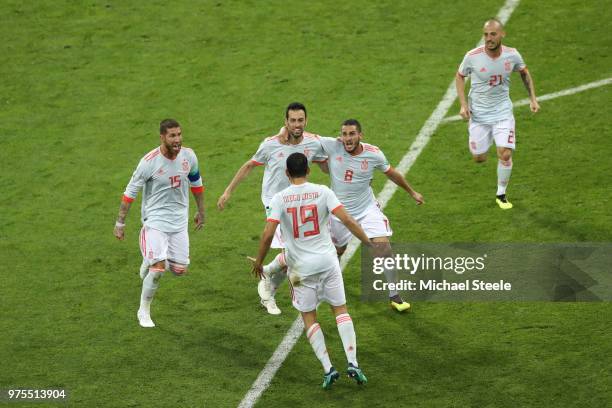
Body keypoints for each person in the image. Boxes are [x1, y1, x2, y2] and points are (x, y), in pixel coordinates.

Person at [252, 153, 371, 389]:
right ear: (308, 171)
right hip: (328, 262)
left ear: (287, 174)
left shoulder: (279, 198)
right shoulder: (322, 191)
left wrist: (259, 261)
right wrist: (368, 243)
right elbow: (347, 220)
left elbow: (267, 234)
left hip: (301, 269)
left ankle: (328, 369)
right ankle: (353, 362)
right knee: (340, 310)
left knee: (309, 317)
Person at [217, 102, 327, 315]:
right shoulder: (270, 145)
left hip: (300, 203)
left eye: (300, 120)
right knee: (294, 253)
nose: (297, 125)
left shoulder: (313, 143)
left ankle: (268, 272)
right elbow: (249, 165)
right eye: (293, 120)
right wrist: (228, 191)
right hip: (274, 203)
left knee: (297, 254)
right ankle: (270, 293)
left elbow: (325, 163)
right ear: (285, 122)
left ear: (306, 121)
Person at [319, 119, 424, 312]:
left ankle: (395, 295)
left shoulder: (373, 154)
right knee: (338, 251)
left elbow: (392, 174)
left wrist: (412, 192)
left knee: (384, 249)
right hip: (339, 212)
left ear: (360, 135)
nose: (348, 138)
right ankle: (332, 281)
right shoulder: (333, 146)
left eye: (352, 134)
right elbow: (307, 140)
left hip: (366, 209)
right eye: (344, 134)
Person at [113, 119, 205, 328]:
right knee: (158, 269)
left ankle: (149, 258)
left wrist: (201, 211)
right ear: (162, 137)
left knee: (179, 270)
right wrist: (120, 223)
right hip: (155, 221)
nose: (177, 140)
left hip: (179, 222)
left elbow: (197, 184)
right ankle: (143, 310)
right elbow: (130, 193)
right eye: (172, 135)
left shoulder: (189, 156)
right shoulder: (149, 162)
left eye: (179, 134)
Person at [455, 18, 540, 209]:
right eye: (485, 34)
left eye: (493, 34)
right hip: (479, 115)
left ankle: (501, 194)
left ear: (502, 34)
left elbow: (524, 72)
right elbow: (460, 76)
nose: (488, 38)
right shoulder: (473, 56)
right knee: (479, 158)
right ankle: (488, 143)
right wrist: (463, 104)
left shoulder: (512, 55)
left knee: (505, 154)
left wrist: (532, 98)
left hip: (502, 113)